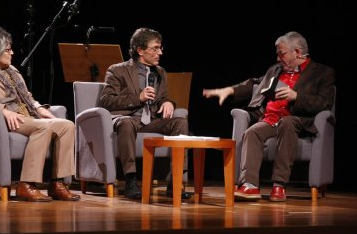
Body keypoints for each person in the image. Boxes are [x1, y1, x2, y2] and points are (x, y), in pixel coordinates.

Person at [203, 31, 335, 202]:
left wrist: (295, 96)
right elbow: (254, 84)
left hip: (296, 121)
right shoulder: (275, 70)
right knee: (253, 132)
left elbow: (324, 103)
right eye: (277, 54)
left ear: (297, 52)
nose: (278, 58)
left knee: (287, 123)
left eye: (282, 53)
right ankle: (249, 186)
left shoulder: (322, 73)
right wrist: (229, 90)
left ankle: (279, 185)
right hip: (270, 120)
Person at [0, 25, 80, 202]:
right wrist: (3, 111)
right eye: (8, 49)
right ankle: (26, 184)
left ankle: (57, 184)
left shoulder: (13, 71)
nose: (12, 53)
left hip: (25, 116)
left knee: (66, 125)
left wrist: (39, 107)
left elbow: (27, 97)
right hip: (1, 121)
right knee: (42, 128)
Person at [99, 27, 190, 200]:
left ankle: (175, 182)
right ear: (140, 50)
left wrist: (168, 102)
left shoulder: (160, 72)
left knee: (180, 122)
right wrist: (138, 98)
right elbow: (106, 101)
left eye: (161, 48)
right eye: (155, 48)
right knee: (126, 122)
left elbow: (162, 97)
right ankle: (130, 180)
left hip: (151, 120)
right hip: (128, 118)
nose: (160, 52)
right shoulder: (117, 70)